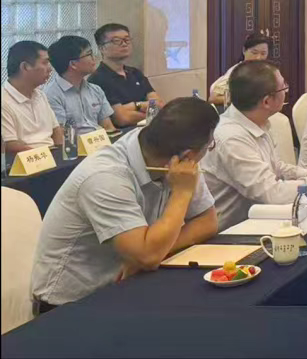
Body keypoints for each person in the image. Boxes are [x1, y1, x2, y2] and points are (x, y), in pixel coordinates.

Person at [30, 98, 219, 310]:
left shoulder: (176, 161)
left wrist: (150, 253)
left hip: (127, 286)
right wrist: (182, 194)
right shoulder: (105, 176)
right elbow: (148, 256)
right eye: (209, 146)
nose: (208, 150)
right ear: (188, 155)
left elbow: (207, 222)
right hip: (70, 305)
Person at [202, 61, 307, 229]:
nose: (287, 91)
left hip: (259, 218)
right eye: (283, 87)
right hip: (230, 232)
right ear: (266, 101)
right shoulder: (231, 138)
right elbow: (272, 193)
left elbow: (275, 167)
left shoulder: (256, 120)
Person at [89, 24, 161, 128]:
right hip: (123, 134)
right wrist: (143, 106)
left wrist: (132, 107)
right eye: (116, 41)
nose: (124, 44)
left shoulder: (135, 73)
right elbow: (122, 118)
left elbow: (159, 105)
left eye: (127, 40)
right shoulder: (98, 79)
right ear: (102, 48)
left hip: (148, 129)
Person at [44, 36, 116, 135]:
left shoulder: (96, 90)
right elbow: (59, 136)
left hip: (101, 141)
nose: (94, 58)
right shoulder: (51, 95)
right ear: (73, 64)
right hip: (75, 144)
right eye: (89, 54)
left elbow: (108, 127)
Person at [2, 41, 63, 153]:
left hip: (51, 156)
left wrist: (60, 155)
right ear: (25, 67)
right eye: (45, 63)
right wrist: (46, 157)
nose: (50, 69)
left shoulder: (40, 94)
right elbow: (10, 145)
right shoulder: (4, 101)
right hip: (27, 160)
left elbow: (56, 130)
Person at [208, 33, 271, 106]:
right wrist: (242, 99)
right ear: (244, 50)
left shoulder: (267, 71)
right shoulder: (237, 72)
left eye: (263, 54)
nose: (258, 58)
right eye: (254, 53)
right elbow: (213, 98)